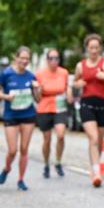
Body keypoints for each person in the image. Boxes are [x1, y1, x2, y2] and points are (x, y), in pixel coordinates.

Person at [71, 33, 104, 187]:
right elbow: (75, 82)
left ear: (100, 48)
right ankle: (97, 171)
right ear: (87, 48)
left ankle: (94, 167)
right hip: (87, 105)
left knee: (98, 141)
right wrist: (78, 84)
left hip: (103, 106)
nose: (94, 51)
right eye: (91, 48)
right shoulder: (81, 65)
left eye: (96, 48)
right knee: (93, 139)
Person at [0, 46, 40, 191]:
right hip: (11, 115)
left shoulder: (31, 76)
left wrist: (37, 89)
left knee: (24, 149)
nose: (24, 61)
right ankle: (7, 168)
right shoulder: (6, 74)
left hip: (28, 115)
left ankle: (21, 179)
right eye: (22, 58)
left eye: (27, 59)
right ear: (16, 58)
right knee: (13, 150)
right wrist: (6, 97)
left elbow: (38, 100)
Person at [35, 48, 71, 178]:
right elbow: (36, 97)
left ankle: (58, 162)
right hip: (44, 108)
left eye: (57, 58)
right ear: (47, 60)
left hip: (59, 108)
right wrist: (39, 90)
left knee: (61, 135)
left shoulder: (64, 73)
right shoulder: (39, 74)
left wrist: (69, 95)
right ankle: (46, 164)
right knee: (47, 139)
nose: (54, 61)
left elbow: (67, 88)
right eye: (51, 58)